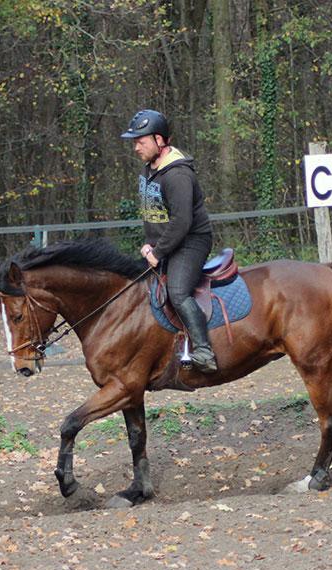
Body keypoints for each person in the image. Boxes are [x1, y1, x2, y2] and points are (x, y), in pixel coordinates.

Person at [121, 108, 217, 373]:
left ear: (160, 140)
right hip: (165, 242)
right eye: (134, 141)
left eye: (141, 141)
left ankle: (204, 350)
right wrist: (150, 243)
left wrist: (158, 251)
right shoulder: (149, 170)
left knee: (177, 292)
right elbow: (155, 214)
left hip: (191, 241)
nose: (136, 147)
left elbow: (181, 221)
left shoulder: (178, 175)